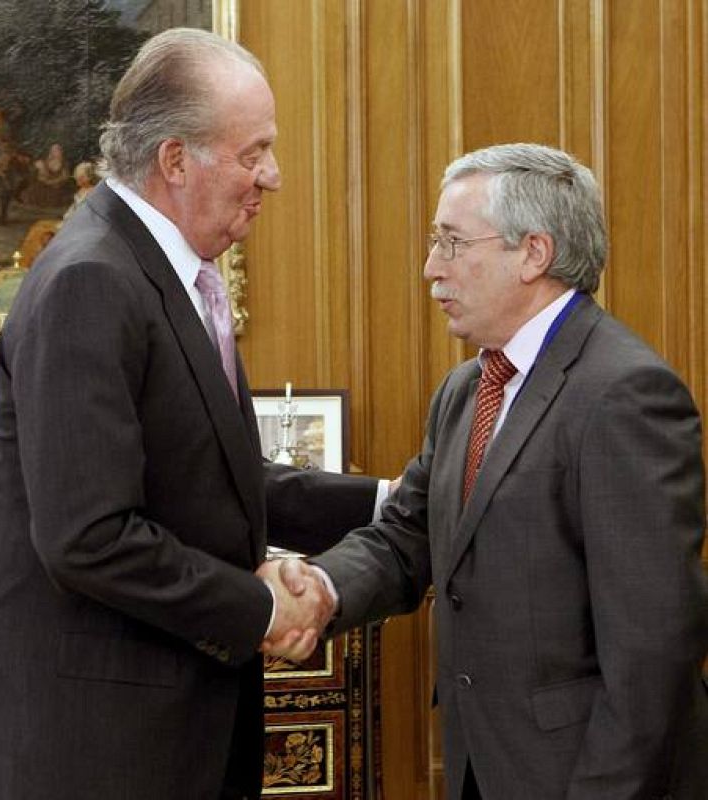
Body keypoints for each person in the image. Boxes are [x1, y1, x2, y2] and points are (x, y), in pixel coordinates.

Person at [0, 28, 386, 800]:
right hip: (91, 744)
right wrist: (261, 606)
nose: (274, 176)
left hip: (153, 723)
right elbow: (88, 538)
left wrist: (390, 503)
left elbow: (210, 476)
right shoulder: (92, 279)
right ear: (175, 161)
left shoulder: (160, 270)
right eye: (253, 152)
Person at [263, 143, 708, 798]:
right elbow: (405, 537)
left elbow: (652, 654)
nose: (429, 269)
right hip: (484, 763)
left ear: (533, 252)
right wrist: (324, 587)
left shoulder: (623, 393)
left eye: (450, 243)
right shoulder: (467, 389)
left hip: (587, 776)